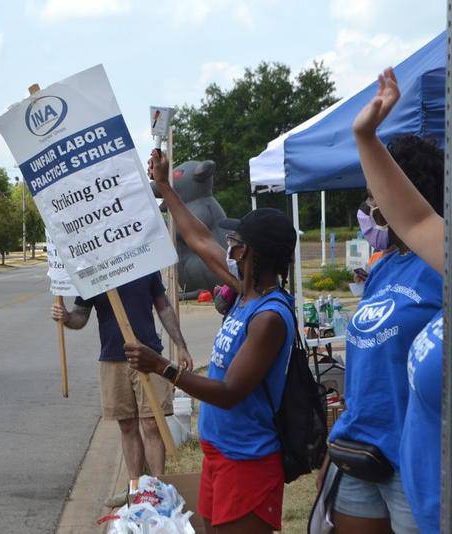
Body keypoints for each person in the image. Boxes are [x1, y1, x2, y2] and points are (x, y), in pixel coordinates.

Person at [125, 149, 297, 533]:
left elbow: (229, 392)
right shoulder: (245, 291)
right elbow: (199, 237)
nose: (229, 247)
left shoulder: (269, 316)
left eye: (236, 242)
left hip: (248, 461)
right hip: (220, 453)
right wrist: (167, 188)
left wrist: (162, 366)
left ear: (251, 252)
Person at [315, 69, 444, 533]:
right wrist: (364, 134)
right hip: (360, 449)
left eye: (377, 197)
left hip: (414, 463)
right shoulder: (385, 265)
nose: (371, 208)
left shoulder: (436, 270)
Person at [51, 272, 192, 505]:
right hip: (112, 358)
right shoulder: (92, 272)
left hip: (149, 356)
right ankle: (135, 490)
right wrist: (65, 317)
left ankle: (156, 493)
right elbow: (81, 316)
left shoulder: (144, 263)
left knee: (151, 424)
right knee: (127, 425)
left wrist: (181, 345)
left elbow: (164, 308)